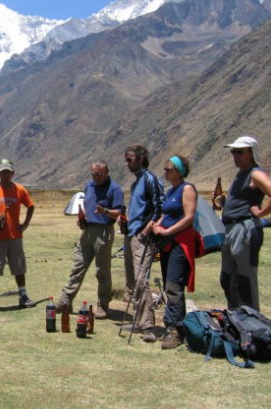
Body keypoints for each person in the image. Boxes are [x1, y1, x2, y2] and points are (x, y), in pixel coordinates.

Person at [218, 136, 271, 311]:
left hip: (244, 229)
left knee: (245, 280)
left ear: (251, 153)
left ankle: (253, 328)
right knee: (227, 279)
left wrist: (262, 213)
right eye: (233, 151)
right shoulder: (240, 175)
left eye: (240, 152)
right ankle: (235, 323)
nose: (235, 155)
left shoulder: (255, 174)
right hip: (230, 229)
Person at [56, 161, 124, 319]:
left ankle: (103, 305)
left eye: (99, 174)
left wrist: (105, 211)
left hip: (104, 232)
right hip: (87, 231)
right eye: (93, 174)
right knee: (77, 266)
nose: (96, 177)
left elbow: (118, 213)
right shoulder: (89, 186)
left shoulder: (115, 189)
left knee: (102, 271)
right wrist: (83, 219)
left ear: (107, 172)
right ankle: (66, 301)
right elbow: (87, 206)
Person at [152, 155, 200, 349]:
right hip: (167, 243)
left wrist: (167, 231)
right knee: (168, 284)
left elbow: (189, 217)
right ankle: (172, 325)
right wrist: (157, 224)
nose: (165, 172)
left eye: (168, 169)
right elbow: (167, 213)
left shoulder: (187, 189)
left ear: (178, 171)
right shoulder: (172, 190)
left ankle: (175, 329)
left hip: (180, 243)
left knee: (174, 285)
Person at [0, 158, 35, 311]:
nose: (6, 174)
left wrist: (25, 224)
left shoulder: (20, 190)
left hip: (15, 236)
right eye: (3, 172)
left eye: (8, 172)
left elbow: (31, 206)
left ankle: (23, 296)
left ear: (13, 173)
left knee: (19, 267)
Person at [122, 145, 164, 343]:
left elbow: (159, 207)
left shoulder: (150, 179)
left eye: (130, 159)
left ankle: (148, 326)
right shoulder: (136, 183)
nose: (127, 163)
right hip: (131, 234)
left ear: (140, 159)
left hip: (143, 237)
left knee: (141, 279)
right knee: (132, 280)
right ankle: (139, 320)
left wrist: (148, 228)